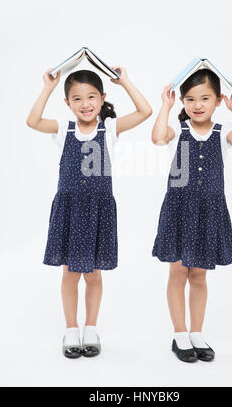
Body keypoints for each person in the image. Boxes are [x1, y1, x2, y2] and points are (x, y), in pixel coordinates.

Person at [26, 67, 152, 358]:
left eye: (91, 96)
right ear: (68, 103)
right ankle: (71, 329)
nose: (85, 104)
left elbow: (145, 111)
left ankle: (91, 327)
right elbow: (32, 121)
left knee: (93, 275)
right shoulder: (63, 129)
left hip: (98, 211)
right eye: (77, 98)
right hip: (70, 210)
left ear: (103, 97)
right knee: (70, 273)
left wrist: (126, 82)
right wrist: (48, 87)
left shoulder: (109, 129)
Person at [151, 68, 232, 362]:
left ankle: (197, 332)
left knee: (199, 275)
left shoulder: (221, 134)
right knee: (178, 271)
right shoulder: (178, 132)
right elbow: (158, 137)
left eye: (205, 98)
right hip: (180, 211)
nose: (197, 105)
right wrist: (165, 107)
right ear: (182, 101)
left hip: (208, 212)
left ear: (218, 100)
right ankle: (179, 334)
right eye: (191, 99)